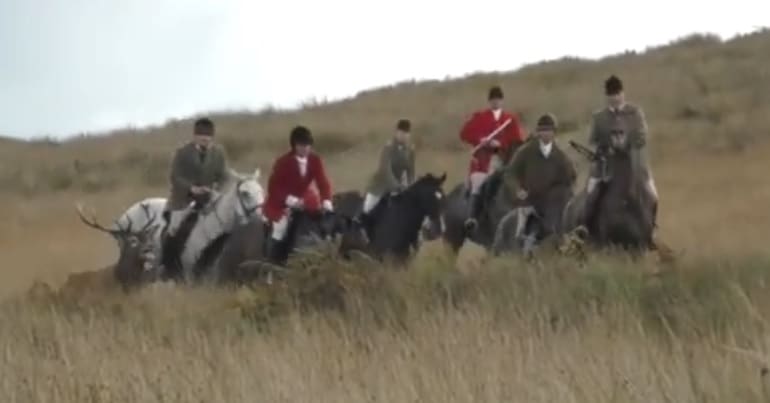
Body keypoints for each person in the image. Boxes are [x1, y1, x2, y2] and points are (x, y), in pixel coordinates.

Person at [583, 75, 658, 225]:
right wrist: (605, 148)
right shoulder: (599, 117)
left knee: (653, 197)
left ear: (623, 93)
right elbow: (592, 140)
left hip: (635, 166)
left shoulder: (635, 113)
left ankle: (651, 228)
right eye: (612, 94)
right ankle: (585, 229)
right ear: (607, 96)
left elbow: (642, 136)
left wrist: (627, 145)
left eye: (618, 93)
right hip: (606, 169)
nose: (615, 98)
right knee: (590, 196)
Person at [262, 125, 334, 260]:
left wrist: (326, 201)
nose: (306, 148)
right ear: (294, 146)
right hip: (281, 203)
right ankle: (272, 259)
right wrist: (290, 200)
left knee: (324, 222)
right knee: (280, 227)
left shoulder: (315, 160)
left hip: (305, 200)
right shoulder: (282, 162)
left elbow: (323, 182)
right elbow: (274, 188)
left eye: (308, 145)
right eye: (302, 145)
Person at [460, 86, 526, 230]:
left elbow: (517, 141)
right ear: (489, 102)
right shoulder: (479, 117)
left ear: (502, 101)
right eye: (493, 100)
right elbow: (464, 134)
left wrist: (500, 144)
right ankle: (473, 217)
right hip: (483, 161)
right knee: (478, 182)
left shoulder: (510, 119)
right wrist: (480, 139)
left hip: (504, 159)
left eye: (498, 99)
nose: (495, 102)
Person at [502, 113, 577, 238]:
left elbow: (571, 177)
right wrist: (517, 190)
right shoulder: (525, 151)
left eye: (549, 130)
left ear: (554, 133)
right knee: (522, 230)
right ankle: (522, 237)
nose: (546, 134)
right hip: (530, 198)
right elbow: (510, 174)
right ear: (538, 132)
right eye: (543, 130)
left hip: (552, 201)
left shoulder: (560, 155)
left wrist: (569, 169)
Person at [360, 118, 416, 222]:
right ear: (396, 133)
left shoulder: (410, 150)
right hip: (380, 187)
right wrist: (397, 186)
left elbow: (411, 172)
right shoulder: (388, 148)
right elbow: (385, 170)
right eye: (402, 133)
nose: (404, 136)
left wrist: (410, 188)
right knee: (367, 210)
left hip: (398, 188)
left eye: (406, 133)